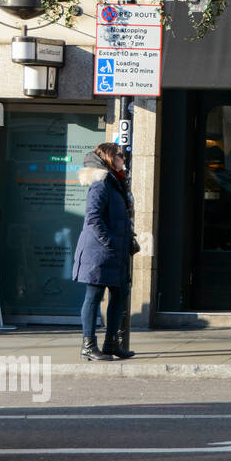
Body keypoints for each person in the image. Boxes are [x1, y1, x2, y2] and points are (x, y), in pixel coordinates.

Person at [71, 144, 134, 361]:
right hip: (99, 251)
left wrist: (129, 240)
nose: (123, 158)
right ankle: (88, 346)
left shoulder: (116, 182)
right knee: (94, 296)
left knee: (120, 294)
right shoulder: (101, 183)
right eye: (119, 155)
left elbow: (119, 217)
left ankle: (110, 343)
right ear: (108, 157)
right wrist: (110, 242)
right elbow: (93, 218)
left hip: (115, 250)